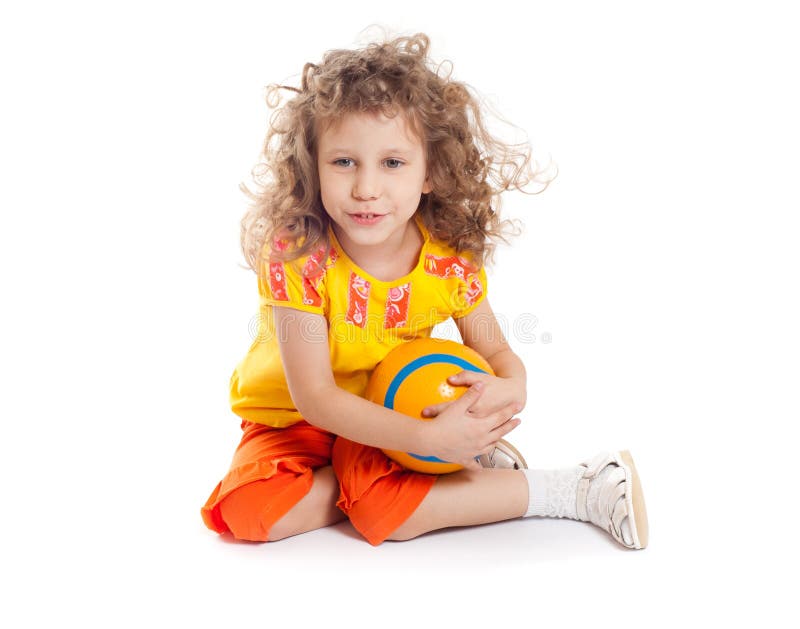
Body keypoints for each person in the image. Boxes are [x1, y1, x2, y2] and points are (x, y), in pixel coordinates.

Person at [201, 32, 648, 549]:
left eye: (392, 163)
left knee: (387, 517)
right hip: (294, 421)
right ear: (313, 165)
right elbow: (316, 398)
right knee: (250, 512)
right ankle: (432, 478)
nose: (366, 188)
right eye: (344, 162)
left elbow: (497, 352)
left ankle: (579, 488)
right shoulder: (298, 252)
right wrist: (425, 442)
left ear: (430, 172)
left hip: (393, 412)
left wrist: (513, 386)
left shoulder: (447, 261)